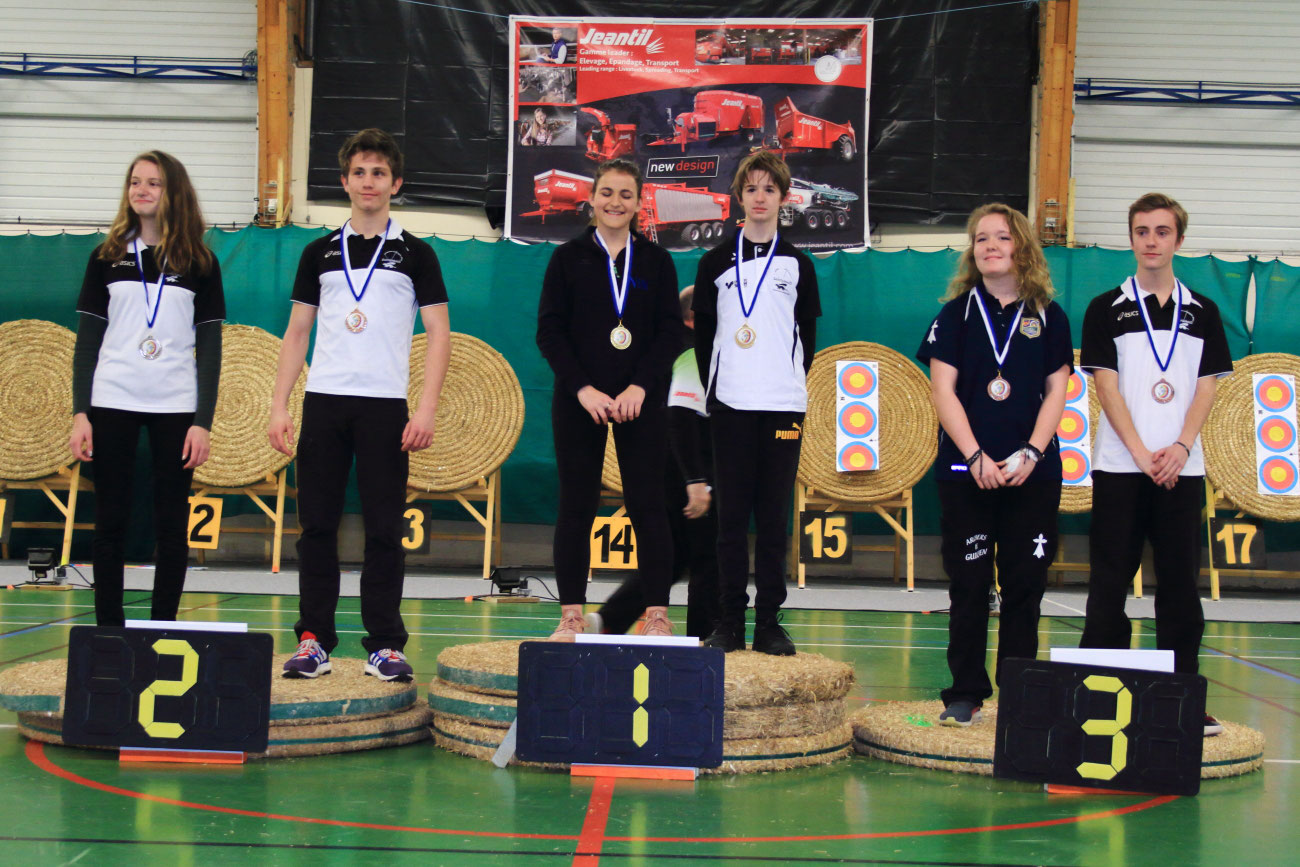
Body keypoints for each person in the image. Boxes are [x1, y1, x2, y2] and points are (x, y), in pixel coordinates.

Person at [268, 128, 451, 682]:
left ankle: (386, 646)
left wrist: (425, 409)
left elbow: (439, 335)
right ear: (344, 182)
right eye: (359, 172)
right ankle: (313, 641)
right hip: (324, 404)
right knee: (316, 527)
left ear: (395, 183)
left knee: (384, 530)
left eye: (379, 173)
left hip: (384, 408)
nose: (368, 182)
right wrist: (279, 405)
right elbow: (297, 332)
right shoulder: (317, 252)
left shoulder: (417, 254)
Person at [1078, 193, 1232, 736]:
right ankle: (1097, 694)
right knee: (1109, 584)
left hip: (1181, 470)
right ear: (1131, 238)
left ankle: (1181, 695)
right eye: (1142, 231)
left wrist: (1182, 447)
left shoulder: (1203, 311)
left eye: (1162, 231)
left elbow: (1208, 385)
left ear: (1178, 240)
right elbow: (1106, 385)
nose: (1151, 241)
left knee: (1180, 587)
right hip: (1121, 466)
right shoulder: (1105, 307)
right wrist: (1141, 453)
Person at [916, 203, 1072, 726]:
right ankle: (964, 692)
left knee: (1025, 585)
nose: (989, 246)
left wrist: (1032, 451)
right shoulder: (955, 314)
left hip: (1032, 473)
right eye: (981, 238)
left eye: (1001, 237)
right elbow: (943, 391)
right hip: (969, 474)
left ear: (1021, 247)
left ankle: (1020, 690)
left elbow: (1057, 391)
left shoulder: (1048, 315)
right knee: (969, 583)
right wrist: (974, 455)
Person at [69, 150, 225, 627]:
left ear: (173, 191)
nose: (141, 190)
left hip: (175, 405)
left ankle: (161, 628)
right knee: (110, 521)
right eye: (135, 182)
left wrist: (202, 422)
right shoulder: (106, 257)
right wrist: (80, 413)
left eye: (153, 183)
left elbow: (210, 348)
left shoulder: (200, 262)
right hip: (111, 400)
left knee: (172, 525)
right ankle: (108, 631)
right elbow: (87, 343)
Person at [536, 158, 683, 639]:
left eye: (625, 194)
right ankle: (571, 616)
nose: (615, 202)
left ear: (638, 203)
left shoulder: (656, 261)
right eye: (606, 193)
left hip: (642, 401)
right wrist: (583, 388)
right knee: (576, 505)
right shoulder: (568, 258)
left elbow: (669, 332)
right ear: (591, 199)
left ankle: (656, 615)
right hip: (580, 401)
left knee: (649, 505)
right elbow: (550, 332)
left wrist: (641, 385)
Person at [693, 150, 821, 655]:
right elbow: (705, 338)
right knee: (730, 521)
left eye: (770, 189)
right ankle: (729, 622)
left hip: (783, 407)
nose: (760, 197)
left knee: (772, 518)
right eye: (752, 189)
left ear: (783, 198)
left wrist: (782, 382)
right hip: (730, 407)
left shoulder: (799, 265)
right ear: (739, 197)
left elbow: (806, 337)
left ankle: (768, 622)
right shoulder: (713, 263)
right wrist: (722, 389)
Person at [584, 286, 721, 639]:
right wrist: (697, 480)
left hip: (661, 463)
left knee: (672, 556)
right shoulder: (693, 350)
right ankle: (707, 640)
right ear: (695, 317)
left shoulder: (666, 349)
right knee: (709, 556)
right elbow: (682, 418)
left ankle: (610, 620)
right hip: (689, 468)